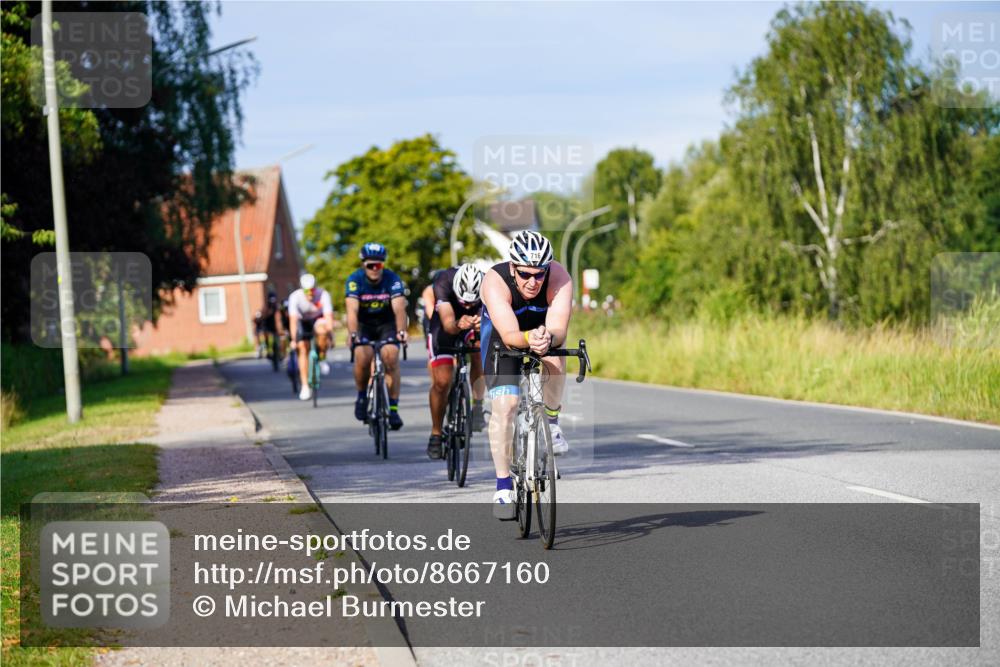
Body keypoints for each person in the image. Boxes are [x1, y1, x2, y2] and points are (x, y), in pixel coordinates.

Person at [480, 231, 573, 519]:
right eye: (525, 274)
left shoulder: (560, 277)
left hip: (541, 331)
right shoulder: (494, 282)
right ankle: (503, 485)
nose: (532, 281)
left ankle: (552, 423)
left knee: (556, 358)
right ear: (512, 268)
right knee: (506, 406)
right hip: (502, 334)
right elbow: (509, 335)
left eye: (539, 274)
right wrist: (528, 338)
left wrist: (548, 337)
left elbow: (559, 328)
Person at [425, 263, 486, 460]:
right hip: (445, 326)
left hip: (474, 323)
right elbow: (448, 323)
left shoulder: (488, 284)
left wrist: (480, 324)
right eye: (463, 302)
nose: (467, 306)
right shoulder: (443, 281)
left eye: (471, 302)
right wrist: (459, 324)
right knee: (442, 382)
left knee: (478, 354)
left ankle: (477, 405)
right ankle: (436, 433)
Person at [345, 242, 408, 430]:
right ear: (363, 264)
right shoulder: (355, 280)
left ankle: (394, 409)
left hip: (386, 324)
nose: (374, 269)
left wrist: (402, 331)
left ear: (383, 265)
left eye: (378, 265)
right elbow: (351, 310)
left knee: (390, 357)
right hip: (364, 325)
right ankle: (362, 396)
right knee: (363, 356)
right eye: (370, 265)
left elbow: (399, 308)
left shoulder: (392, 279)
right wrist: (353, 333)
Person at [288, 274, 335, 401]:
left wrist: (331, 336)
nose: (310, 293)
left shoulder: (323, 295)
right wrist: (293, 340)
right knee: (302, 348)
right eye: (307, 291)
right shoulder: (295, 297)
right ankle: (305, 386)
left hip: (318, 319)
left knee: (322, 331)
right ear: (302, 289)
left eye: (312, 290)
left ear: (316, 288)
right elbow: (293, 320)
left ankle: (322, 357)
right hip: (302, 321)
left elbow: (328, 317)